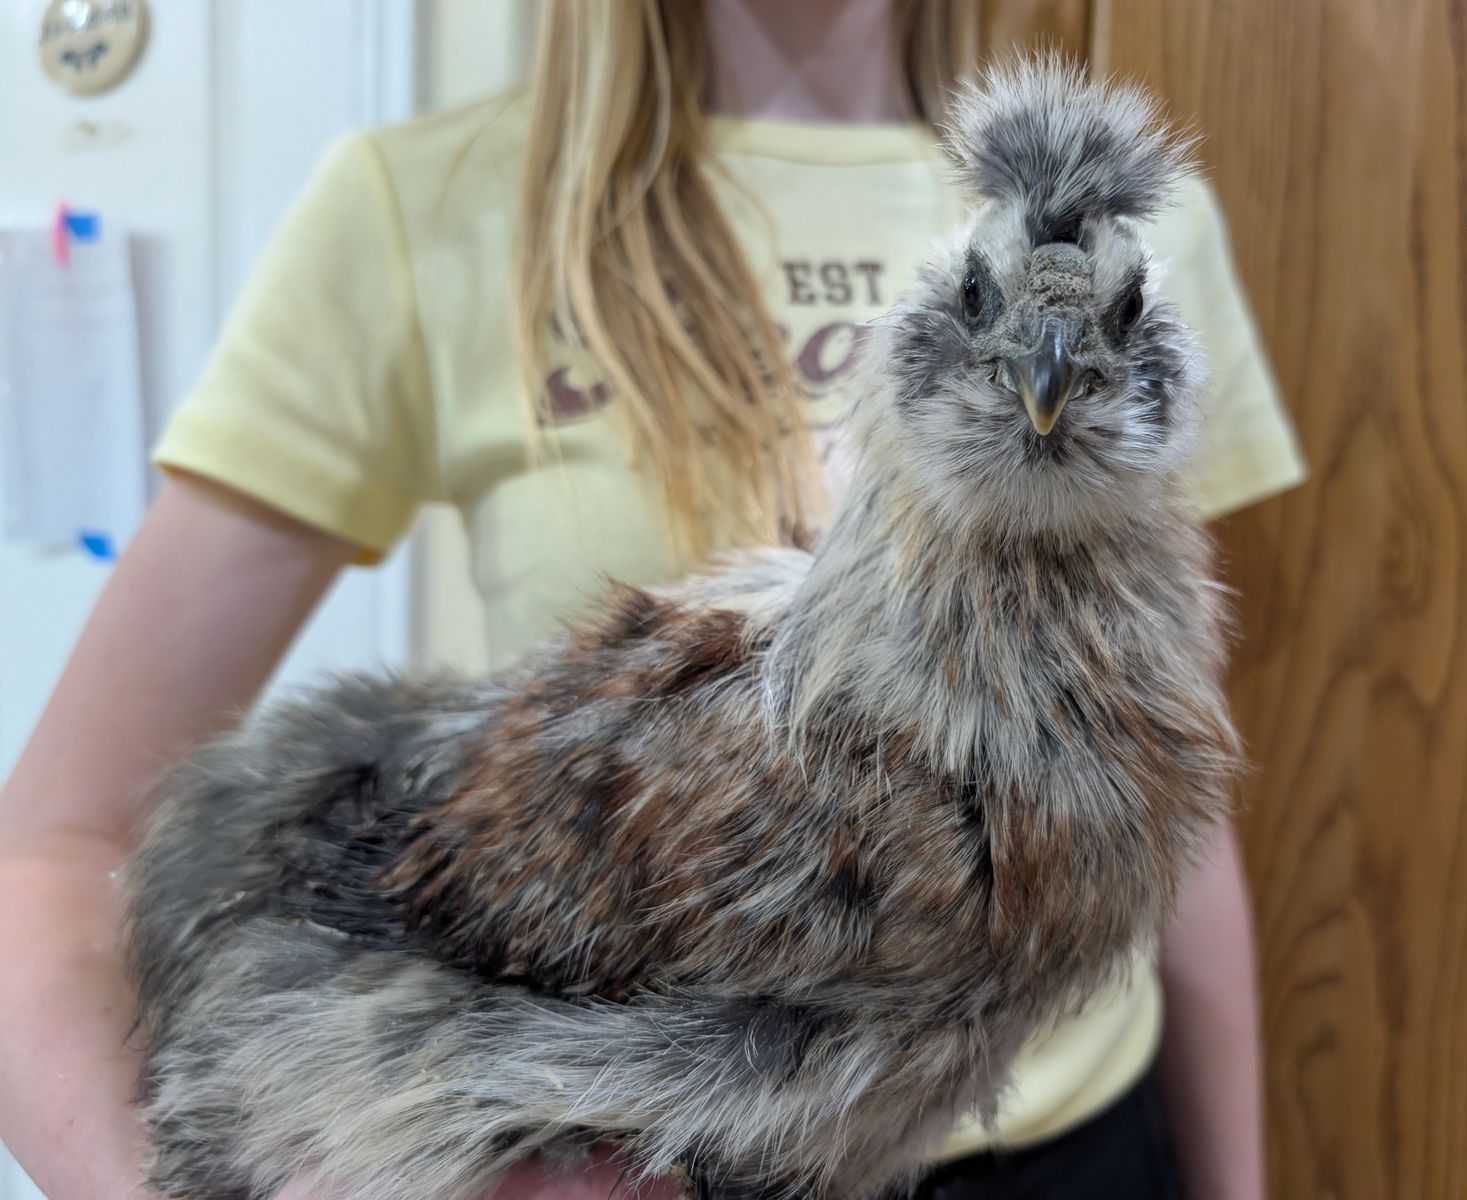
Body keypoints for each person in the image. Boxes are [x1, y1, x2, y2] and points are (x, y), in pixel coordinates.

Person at [0, 2, 1304, 1197]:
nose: (1047, 368)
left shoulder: (1144, 230)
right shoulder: (418, 207)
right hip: (644, 1144)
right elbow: (46, 852)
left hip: (1081, 1149)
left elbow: (1157, 761)